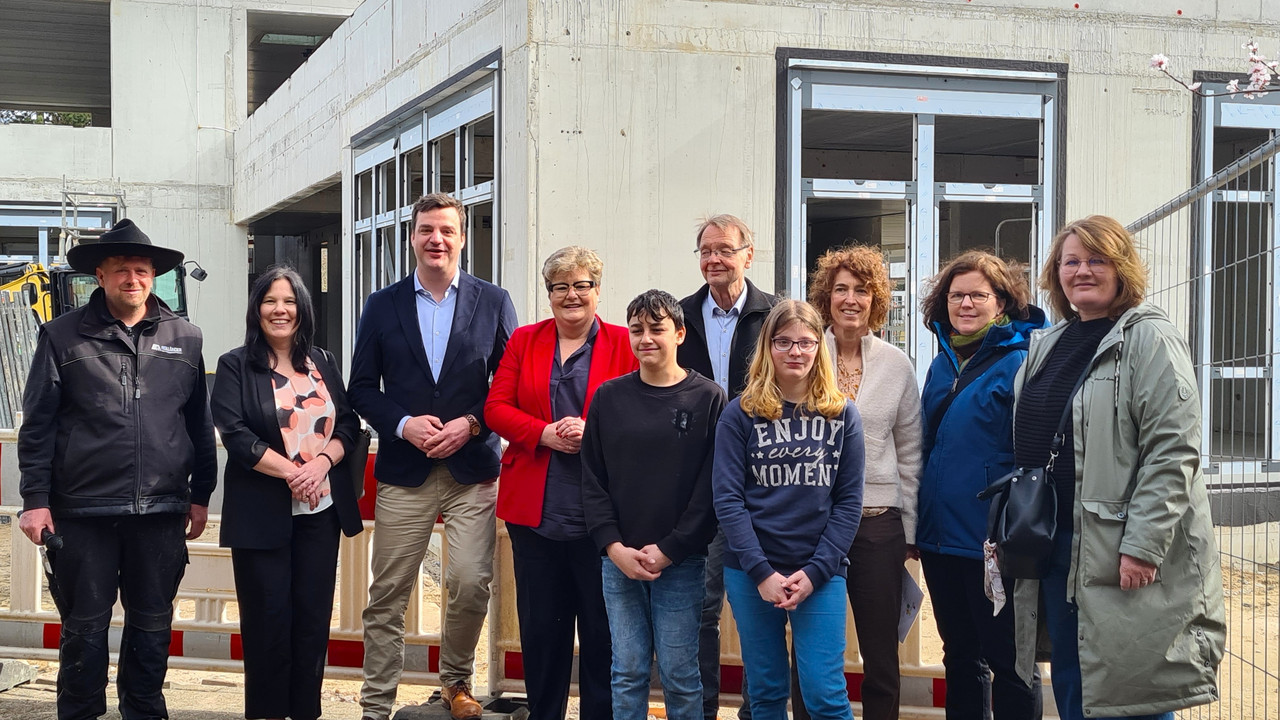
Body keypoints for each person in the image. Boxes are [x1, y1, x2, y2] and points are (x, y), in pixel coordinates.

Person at [1012, 215, 1225, 720]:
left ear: (1122, 267)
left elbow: (1173, 449)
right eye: (1071, 261)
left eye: (1097, 260)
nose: (1082, 271)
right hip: (1058, 543)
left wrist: (1143, 545)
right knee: (1074, 678)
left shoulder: (1149, 339)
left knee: (1132, 686)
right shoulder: (1049, 343)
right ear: (1055, 273)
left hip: (1119, 548)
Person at [17, 218, 217, 720]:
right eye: (122, 269)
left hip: (161, 510)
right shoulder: (61, 337)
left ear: (154, 277)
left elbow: (199, 424)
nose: (133, 278)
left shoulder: (185, 338)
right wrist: (35, 501)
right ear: (100, 277)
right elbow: (37, 426)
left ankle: (144, 712)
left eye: (142, 270)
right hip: (81, 513)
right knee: (83, 632)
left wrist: (200, 495)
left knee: (152, 630)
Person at [348, 192, 518, 720]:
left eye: (446, 230)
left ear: (462, 238)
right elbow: (360, 388)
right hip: (405, 471)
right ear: (412, 238)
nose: (436, 239)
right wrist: (403, 423)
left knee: (469, 581)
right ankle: (376, 705)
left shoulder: (494, 301)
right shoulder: (382, 303)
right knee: (388, 593)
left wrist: (471, 424)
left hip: (472, 471)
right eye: (426, 230)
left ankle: (456, 685)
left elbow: (510, 387)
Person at [484, 246, 637, 720]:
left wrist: (594, 429)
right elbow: (495, 408)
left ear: (597, 289)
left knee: (601, 635)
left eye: (582, 284)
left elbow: (642, 410)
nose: (572, 294)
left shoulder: (624, 342)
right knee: (542, 636)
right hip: (537, 515)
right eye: (560, 286)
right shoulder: (525, 341)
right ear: (549, 294)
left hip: (604, 521)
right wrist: (543, 433)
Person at [210, 265, 366, 720]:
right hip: (262, 514)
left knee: (312, 623)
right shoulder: (236, 364)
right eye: (270, 301)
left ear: (303, 308)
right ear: (256, 309)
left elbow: (350, 426)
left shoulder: (324, 361)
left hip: (321, 512)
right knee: (267, 623)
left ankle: (306, 713)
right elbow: (235, 435)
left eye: (290, 301)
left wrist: (321, 464)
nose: (280, 310)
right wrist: (293, 473)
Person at [713, 300, 865, 720]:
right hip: (751, 573)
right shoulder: (739, 414)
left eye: (805, 342)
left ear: (820, 347)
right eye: (784, 342)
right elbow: (728, 500)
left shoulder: (842, 415)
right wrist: (762, 573)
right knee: (765, 692)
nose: (795, 352)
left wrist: (816, 573)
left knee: (825, 695)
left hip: (821, 571)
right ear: (768, 347)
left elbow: (849, 500)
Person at [581, 290, 726, 720]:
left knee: (681, 675)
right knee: (626, 672)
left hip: (681, 563)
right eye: (637, 330)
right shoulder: (609, 398)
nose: (646, 338)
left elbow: (711, 490)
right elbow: (593, 479)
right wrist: (613, 547)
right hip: (619, 561)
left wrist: (672, 548)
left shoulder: (708, 399)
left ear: (679, 334)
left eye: (657, 329)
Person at [916, 251, 1046, 720]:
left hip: (994, 541)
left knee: (1009, 661)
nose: (965, 304)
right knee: (960, 657)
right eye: (956, 295)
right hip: (940, 540)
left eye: (978, 295)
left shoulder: (1023, 362)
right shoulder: (942, 364)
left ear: (1002, 302)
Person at [806, 246, 921, 720]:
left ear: (876, 299)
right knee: (813, 652)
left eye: (861, 290)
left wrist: (910, 531)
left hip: (878, 524)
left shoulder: (897, 364)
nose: (850, 299)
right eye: (840, 289)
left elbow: (911, 452)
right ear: (826, 297)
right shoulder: (805, 354)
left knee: (880, 654)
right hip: (812, 521)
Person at [676, 213, 779, 719]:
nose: (714, 260)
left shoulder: (777, 315)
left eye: (724, 249)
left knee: (761, 609)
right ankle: (702, 710)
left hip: (763, 485)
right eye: (705, 251)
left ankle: (759, 712)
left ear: (748, 254)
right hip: (695, 483)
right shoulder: (678, 317)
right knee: (700, 609)